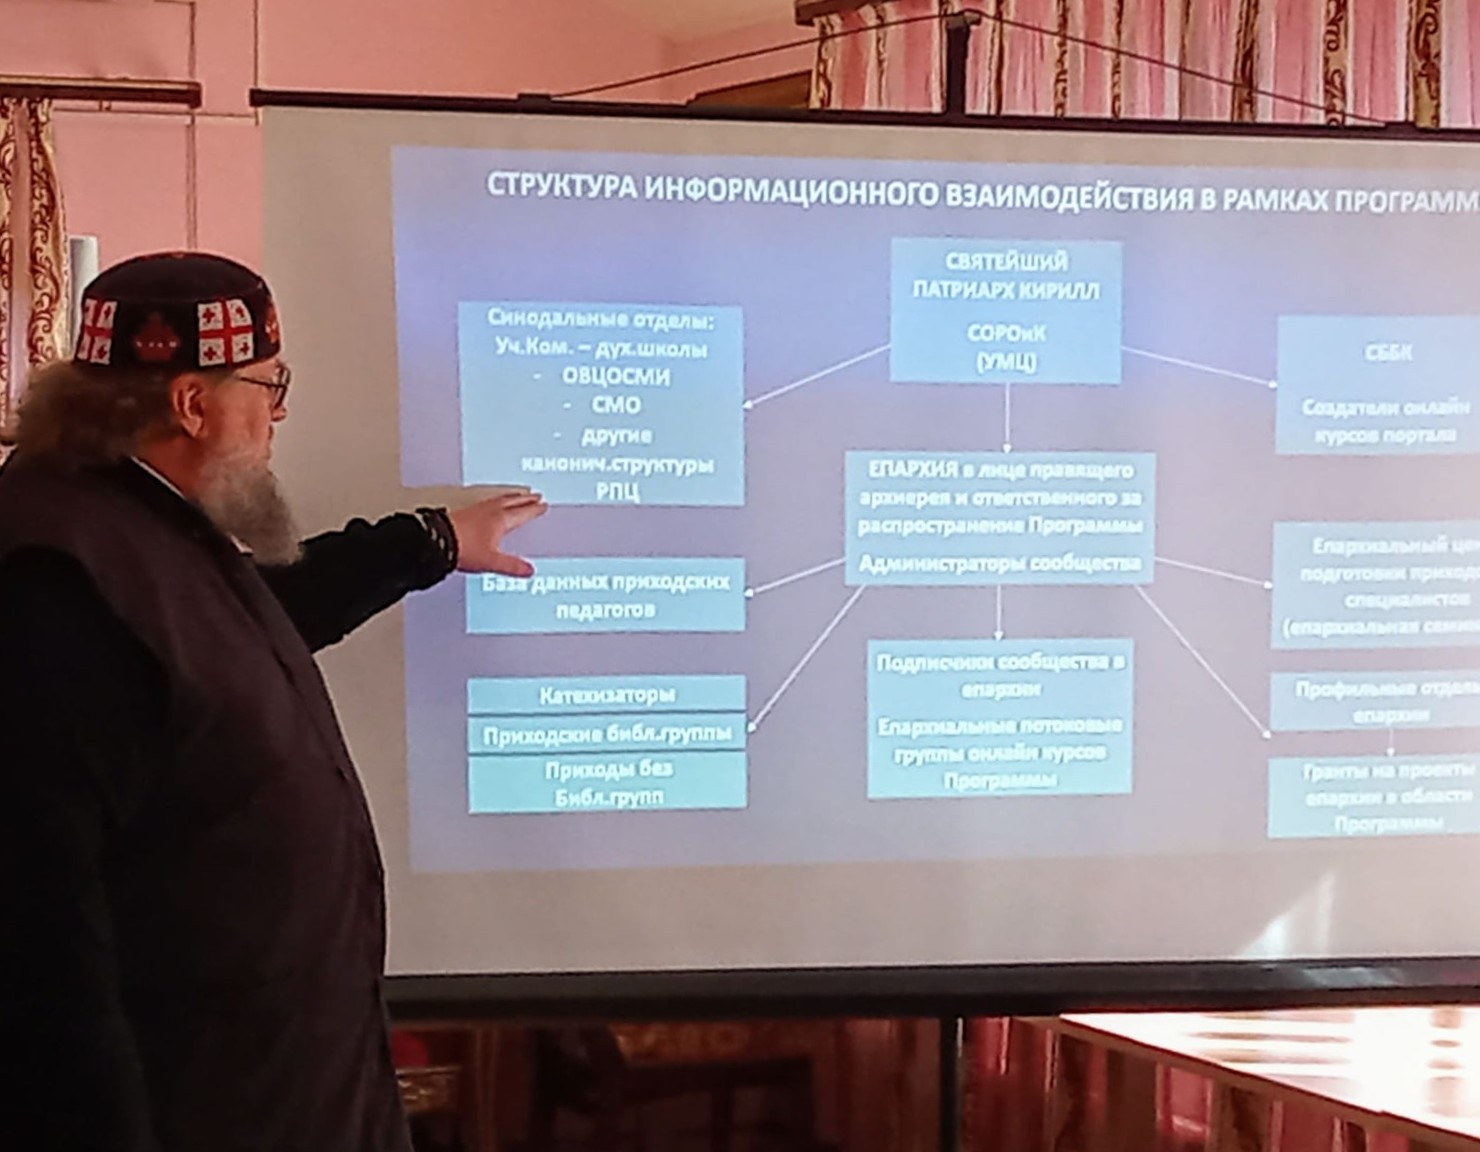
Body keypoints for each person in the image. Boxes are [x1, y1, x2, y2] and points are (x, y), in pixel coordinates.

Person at [0, 251, 545, 1152]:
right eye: (267, 385)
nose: (278, 413)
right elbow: (46, 946)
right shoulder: (58, 581)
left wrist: (431, 542)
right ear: (192, 403)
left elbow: (245, 626)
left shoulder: (131, 524)